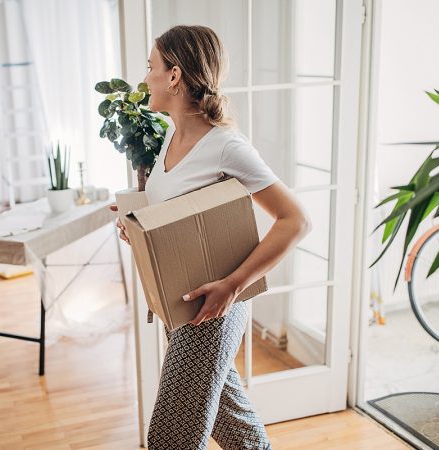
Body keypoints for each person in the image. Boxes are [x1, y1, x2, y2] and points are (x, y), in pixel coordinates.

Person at [109, 25, 312, 450]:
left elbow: (295, 220)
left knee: (170, 439)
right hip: (181, 304)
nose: (145, 76)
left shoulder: (226, 146)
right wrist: (139, 227)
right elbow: (183, 216)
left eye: (151, 67)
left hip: (212, 313)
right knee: (233, 425)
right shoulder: (168, 135)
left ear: (174, 76)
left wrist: (232, 287)